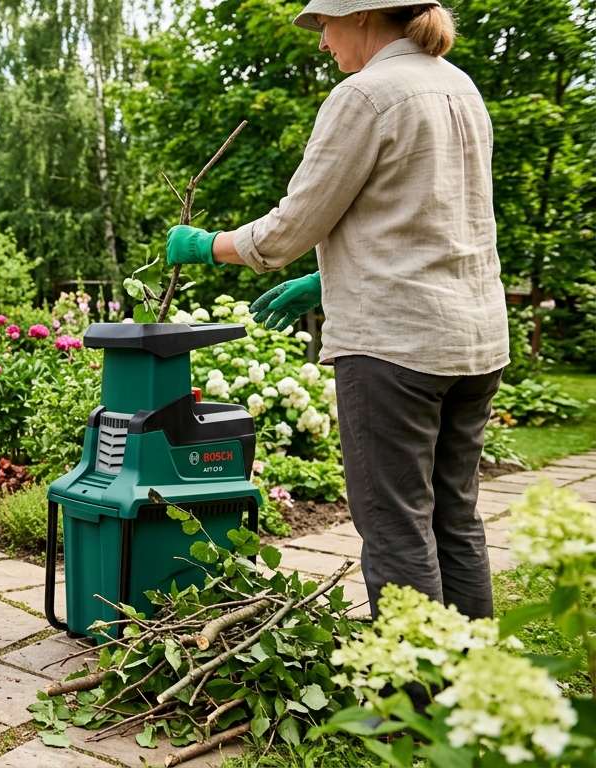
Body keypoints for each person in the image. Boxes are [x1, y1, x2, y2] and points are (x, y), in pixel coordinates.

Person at [164, 0, 508, 619]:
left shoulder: (366, 95)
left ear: (360, 16)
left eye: (323, 24)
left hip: (394, 350)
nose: (321, 42)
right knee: (454, 518)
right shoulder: (457, 85)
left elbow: (289, 228)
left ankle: (413, 705)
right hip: (474, 340)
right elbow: (429, 215)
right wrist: (329, 278)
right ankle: (472, 695)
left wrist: (208, 246)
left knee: (396, 527)